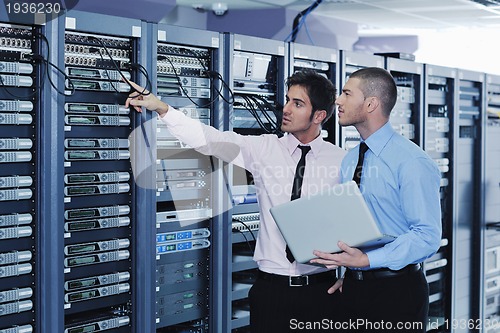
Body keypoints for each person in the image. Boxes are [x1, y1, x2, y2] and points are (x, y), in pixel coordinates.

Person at [125, 70, 346, 332]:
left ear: (319, 115)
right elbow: (208, 140)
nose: (286, 109)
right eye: (287, 100)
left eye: (297, 104)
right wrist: (162, 108)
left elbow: (356, 225)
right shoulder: (264, 148)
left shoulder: (342, 160)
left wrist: (351, 277)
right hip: (271, 291)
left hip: (322, 292)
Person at [311, 67, 442, 332]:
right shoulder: (350, 159)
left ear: (371, 104)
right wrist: (351, 273)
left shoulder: (412, 161)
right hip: (354, 287)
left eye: (347, 93)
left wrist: (368, 262)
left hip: (397, 291)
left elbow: (427, 236)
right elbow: (355, 224)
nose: (338, 100)